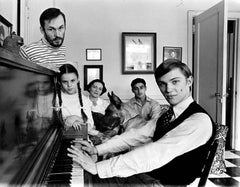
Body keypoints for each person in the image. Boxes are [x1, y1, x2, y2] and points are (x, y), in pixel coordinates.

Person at [67, 59, 216, 186]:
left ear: (189, 81)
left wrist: (98, 168)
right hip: (149, 175)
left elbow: (154, 153)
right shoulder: (169, 114)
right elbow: (135, 135)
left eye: (175, 81)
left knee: (92, 181)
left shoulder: (198, 121)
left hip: (162, 183)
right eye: (162, 84)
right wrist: (97, 150)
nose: (168, 89)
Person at [55, 63, 99, 136]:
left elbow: (90, 126)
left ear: (78, 80)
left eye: (72, 80)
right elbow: (52, 125)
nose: (69, 85)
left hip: (81, 138)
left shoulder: (85, 100)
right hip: (61, 139)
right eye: (65, 82)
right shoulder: (55, 99)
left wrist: (75, 118)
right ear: (59, 82)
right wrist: (67, 120)